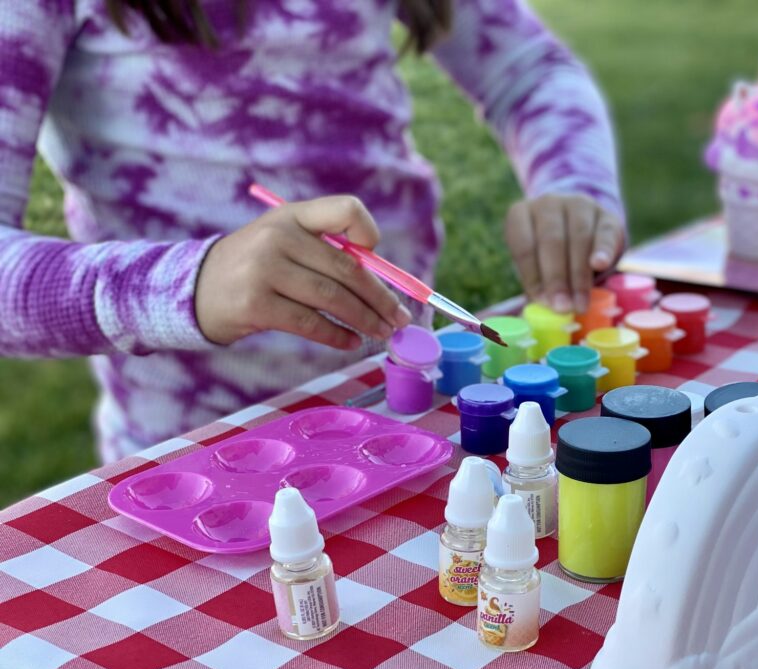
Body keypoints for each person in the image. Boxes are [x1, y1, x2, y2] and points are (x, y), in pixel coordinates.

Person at [0, 1, 624, 460]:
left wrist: (573, 182)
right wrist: (190, 285)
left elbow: (531, 68)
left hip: (406, 414)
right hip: (199, 456)